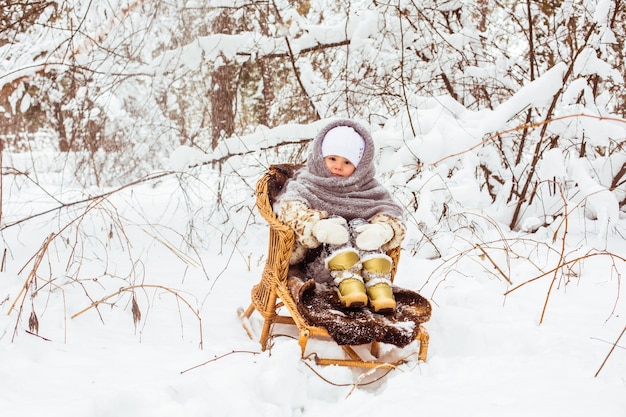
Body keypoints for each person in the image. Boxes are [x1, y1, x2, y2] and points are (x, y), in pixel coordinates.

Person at [273, 119, 406, 314]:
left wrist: (383, 229)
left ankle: (379, 285)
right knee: (338, 224)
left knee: (360, 224)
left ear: (360, 166)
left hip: (365, 271)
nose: (338, 166)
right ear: (320, 157)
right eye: (332, 159)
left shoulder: (369, 188)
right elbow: (290, 209)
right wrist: (317, 227)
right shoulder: (306, 183)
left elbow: (391, 212)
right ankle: (350, 285)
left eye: (347, 162)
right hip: (320, 266)